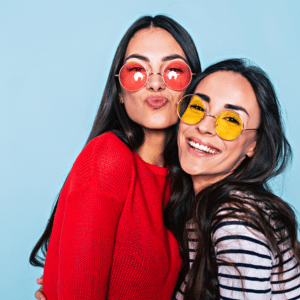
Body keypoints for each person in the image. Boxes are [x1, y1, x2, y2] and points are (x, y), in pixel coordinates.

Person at [30, 15, 201, 300]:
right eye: (137, 70)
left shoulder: (188, 181)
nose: (156, 84)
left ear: (194, 86)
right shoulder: (108, 159)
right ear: (119, 92)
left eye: (173, 71)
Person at [173, 59, 300, 299]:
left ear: (253, 145)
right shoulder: (203, 209)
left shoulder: (236, 222)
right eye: (197, 108)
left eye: (231, 121)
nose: (205, 127)